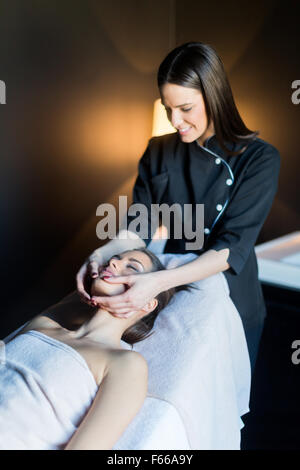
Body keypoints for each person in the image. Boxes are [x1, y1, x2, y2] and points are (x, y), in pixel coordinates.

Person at [76, 42, 281, 373]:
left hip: (231, 299)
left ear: (214, 96)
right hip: (173, 298)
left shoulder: (260, 159)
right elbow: (136, 226)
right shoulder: (158, 150)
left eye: (185, 108)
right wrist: (100, 255)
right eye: (167, 108)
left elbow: (230, 249)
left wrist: (159, 282)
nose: (175, 121)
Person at [0, 248, 190, 450]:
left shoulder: (125, 364)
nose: (113, 264)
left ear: (148, 304)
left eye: (132, 266)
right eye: (113, 260)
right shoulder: (43, 324)